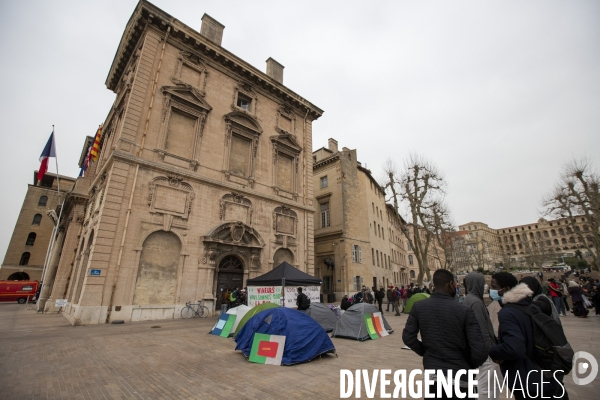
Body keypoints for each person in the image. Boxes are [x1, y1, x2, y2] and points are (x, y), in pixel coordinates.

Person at [403, 269, 487, 398]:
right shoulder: (464, 311)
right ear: (449, 284)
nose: (456, 286)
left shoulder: (419, 307)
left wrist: (427, 352)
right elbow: (479, 349)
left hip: (434, 374)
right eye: (455, 283)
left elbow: (408, 338)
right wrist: (469, 364)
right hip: (460, 375)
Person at [488, 272, 567, 399]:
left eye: (494, 287)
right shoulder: (530, 306)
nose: (491, 291)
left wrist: (493, 351)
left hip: (528, 379)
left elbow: (514, 348)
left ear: (507, 289)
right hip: (545, 375)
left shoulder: (508, 312)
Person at [464, 272, 501, 400]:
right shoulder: (475, 302)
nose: (486, 286)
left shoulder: (471, 299)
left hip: (482, 349)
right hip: (486, 352)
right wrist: (490, 349)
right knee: (486, 386)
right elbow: (481, 328)